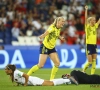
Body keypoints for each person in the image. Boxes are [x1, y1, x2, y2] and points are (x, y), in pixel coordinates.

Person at [5, 64, 78, 86]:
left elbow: (26, 76)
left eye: (6, 69)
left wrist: (25, 84)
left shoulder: (16, 72)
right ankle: (67, 80)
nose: (5, 70)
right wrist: (17, 84)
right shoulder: (13, 74)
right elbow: (19, 79)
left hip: (33, 81)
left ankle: (68, 80)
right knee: (50, 82)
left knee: (51, 84)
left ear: (10, 70)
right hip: (32, 82)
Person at [82, 5, 100, 74]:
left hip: (94, 45)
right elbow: (86, 18)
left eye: (95, 20)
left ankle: (92, 75)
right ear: (90, 21)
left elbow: (99, 21)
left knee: (94, 61)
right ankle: (83, 71)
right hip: (88, 45)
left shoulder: (95, 26)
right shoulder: (87, 26)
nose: (95, 21)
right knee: (90, 62)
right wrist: (86, 10)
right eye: (93, 20)